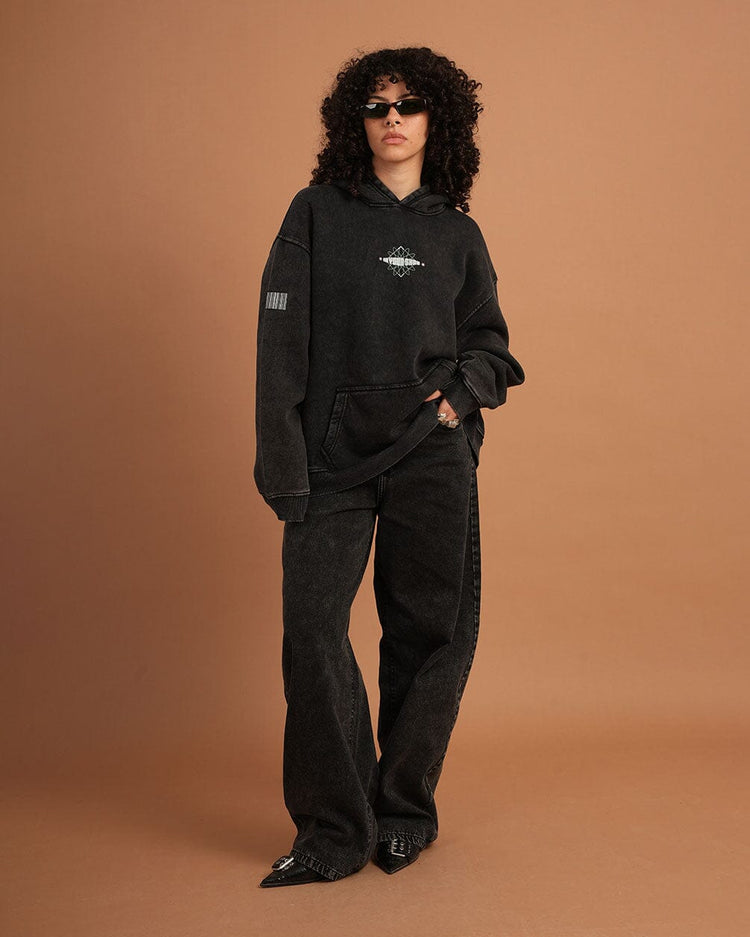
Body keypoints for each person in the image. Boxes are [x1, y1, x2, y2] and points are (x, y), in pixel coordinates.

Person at [253, 46, 525, 888]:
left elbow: (492, 346)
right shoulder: (314, 213)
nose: (393, 119)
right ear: (356, 122)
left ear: (438, 120)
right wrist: (284, 463)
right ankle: (336, 829)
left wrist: (460, 397)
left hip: (431, 458)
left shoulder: (457, 233)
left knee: (429, 636)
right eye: (377, 106)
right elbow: (278, 345)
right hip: (331, 460)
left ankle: (403, 813)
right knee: (313, 631)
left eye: (408, 105)